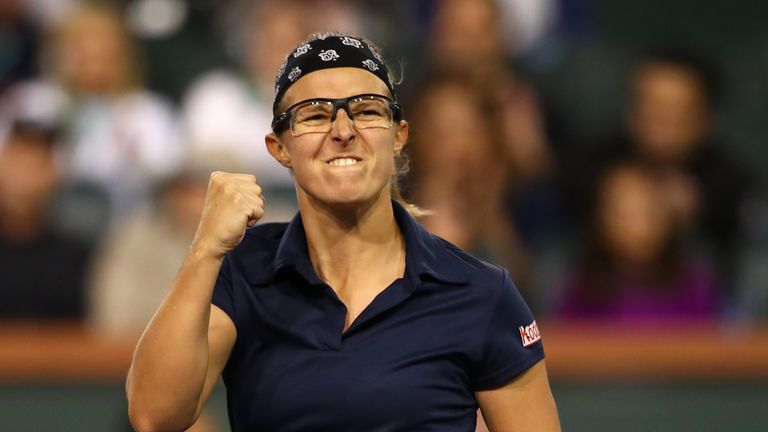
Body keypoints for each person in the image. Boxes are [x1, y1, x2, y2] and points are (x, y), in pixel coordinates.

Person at [127, 33, 560, 432]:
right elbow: (154, 416)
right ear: (279, 148)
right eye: (314, 115)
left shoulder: (480, 292)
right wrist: (205, 247)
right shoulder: (242, 268)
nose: (343, 131)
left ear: (398, 136)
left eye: (367, 110)